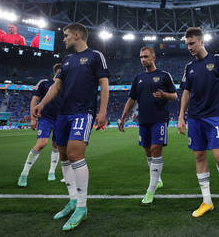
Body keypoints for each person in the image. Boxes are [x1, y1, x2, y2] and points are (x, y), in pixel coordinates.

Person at [32, 23, 109, 231]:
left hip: (83, 112)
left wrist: (102, 112)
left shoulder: (95, 56)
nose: (63, 39)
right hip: (62, 114)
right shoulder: (66, 60)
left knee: (75, 154)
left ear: (77, 35)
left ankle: (82, 207)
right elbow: (57, 86)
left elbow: (104, 84)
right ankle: (73, 200)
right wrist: (41, 104)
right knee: (64, 156)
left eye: (66, 36)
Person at [178, 27, 219, 218]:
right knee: (199, 157)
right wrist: (181, 116)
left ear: (202, 42)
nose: (189, 47)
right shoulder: (189, 67)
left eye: (192, 43)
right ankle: (207, 201)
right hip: (195, 118)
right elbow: (185, 92)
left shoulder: (217, 60)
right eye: (187, 44)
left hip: (214, 116)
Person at [118, 46, 177, 204]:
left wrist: (164, 95)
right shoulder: (138, 78)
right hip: (143, 120)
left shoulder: (164, 76)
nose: (143, 59)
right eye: (141, 57)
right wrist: (123, 118)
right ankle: (157, 180)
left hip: (159, 119)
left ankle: (150, 190)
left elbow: (175, 95)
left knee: (156, 149)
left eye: (145, 56)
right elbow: (131, 99)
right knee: (148, 152)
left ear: (153, 57)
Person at [17, 63, 62, 187]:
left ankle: (51, 171)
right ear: (57, 71)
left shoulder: (66, 85)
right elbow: (34, 100)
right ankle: (24, 174)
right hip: (45, 118)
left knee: (56, 145)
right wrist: (32, 118)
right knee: (42, 144)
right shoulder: (44, 83)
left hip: (60, 119)